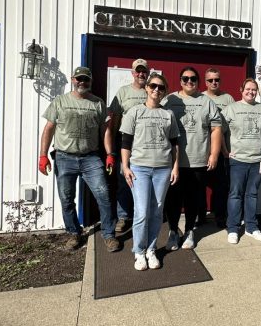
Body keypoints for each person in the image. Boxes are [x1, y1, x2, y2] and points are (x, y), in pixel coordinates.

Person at [38, 67, 120, 252]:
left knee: (103, 195)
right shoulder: (60, 101)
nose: (82, 82)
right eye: (79, 79)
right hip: (64, 157)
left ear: (90, 81)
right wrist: (43, 155)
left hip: (91, 158)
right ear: (72, 79)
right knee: (66, 198)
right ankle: (74, 233)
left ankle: (109, 235)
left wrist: (109, 154)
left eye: (86, 79)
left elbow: (105, 131)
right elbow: (49, 129)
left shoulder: (98, 103)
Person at [120, 73, 180, 271]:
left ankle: (151, 250)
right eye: (153, 86)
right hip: (139, 169)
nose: (156, 90)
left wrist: (175, 166)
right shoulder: (135, 112)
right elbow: (126, 142)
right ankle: (139, 252)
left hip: (163, 169)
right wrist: (125, 166)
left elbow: (174, 144)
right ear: (146, 87)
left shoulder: (168, 114)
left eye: (161, 87)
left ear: (164, 92)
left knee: (156, 212)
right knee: (141, 211)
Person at [162, 67, 222, 251]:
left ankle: (189, 231)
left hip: (198, 161)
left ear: (198, 81)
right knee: (173, 199)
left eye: (193, 78)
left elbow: (216, 129)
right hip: (174, 162)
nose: (189, 82)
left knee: (192, 199)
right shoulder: (170, 100)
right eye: (185, 78)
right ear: (180, 81)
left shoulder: (207, 101)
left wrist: (213, 154)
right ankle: (173, 231)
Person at [222, 78, 261, 244]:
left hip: (258, 160)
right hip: (238, 160)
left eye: (254, 90)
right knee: (235, 194)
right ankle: (233, 228)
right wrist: (225, 151)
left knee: (252, 194)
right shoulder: (231, 109)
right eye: (248, 89)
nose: (251, 92)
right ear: (241, 90)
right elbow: (219, 132)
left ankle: (251, 227)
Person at [108, 58, 149, 233]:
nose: (141, 74)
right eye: (138, 71)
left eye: (144, 71)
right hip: (126, 142)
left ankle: (143, 215)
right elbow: (115, 120)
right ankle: (123, 216)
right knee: (125, 181)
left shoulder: (152, 90)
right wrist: (112, 147)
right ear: (132, 73)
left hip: (147, 145)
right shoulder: (123, 92)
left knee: (146, 180)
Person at [203, 67, 236, 228]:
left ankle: (220, 215)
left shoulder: (228, 98)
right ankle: (200, 215)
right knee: (200, 185)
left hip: (223, 150)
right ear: (205, 81)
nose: (214, 82)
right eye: (210, 80)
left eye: (217, 79)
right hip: (202, 149)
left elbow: (234, 123)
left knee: (221, 186)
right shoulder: (200, 97)